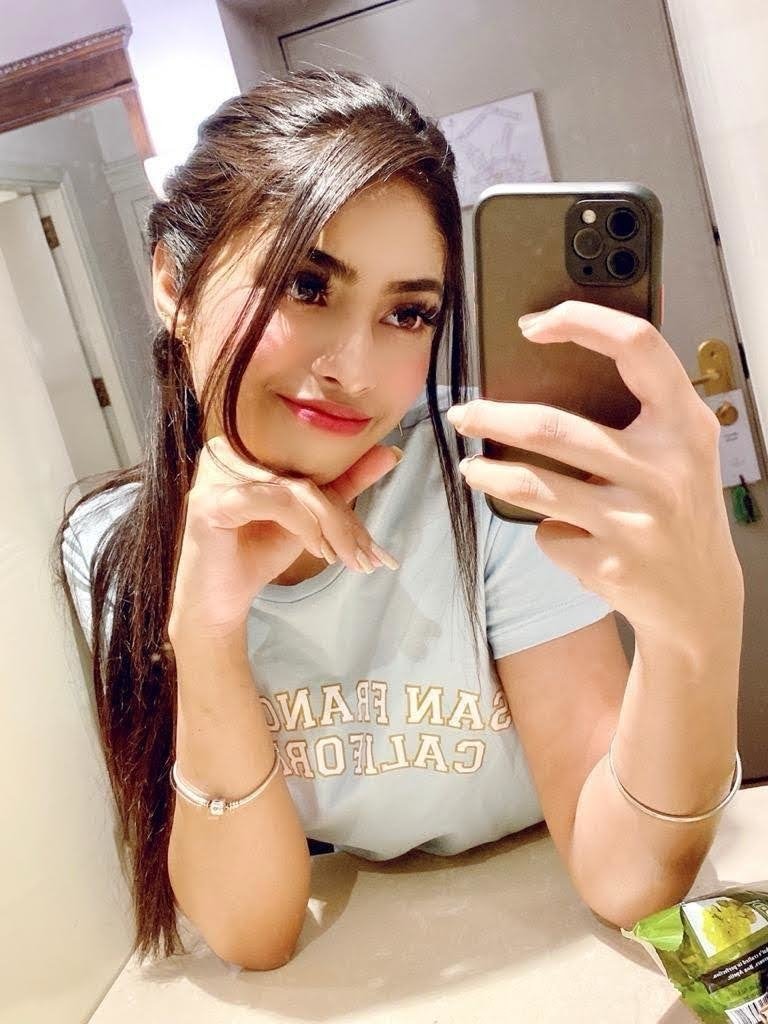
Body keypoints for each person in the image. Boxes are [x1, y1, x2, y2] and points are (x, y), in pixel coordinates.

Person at [54, 68, 743, 972]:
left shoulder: (484, 475)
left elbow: (627, 880)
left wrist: (701, 628)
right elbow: (253, 933)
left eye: (409, 313)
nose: (354, 366)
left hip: (551, 939)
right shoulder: (113, 543)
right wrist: (206, 632)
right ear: (174, 285)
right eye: (306, 285)